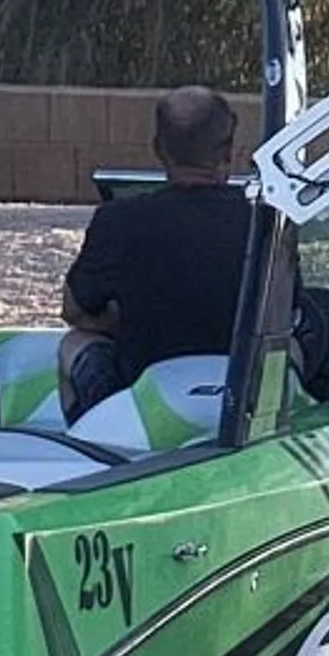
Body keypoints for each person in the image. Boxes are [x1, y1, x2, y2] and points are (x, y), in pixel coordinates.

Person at [58, 85, 252, 422]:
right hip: (238, 404)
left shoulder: (118, 220)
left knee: (73, 343)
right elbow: (285, 314)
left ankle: (93, 438)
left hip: (141, 403)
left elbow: (74, 311)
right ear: (228, 151)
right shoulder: (263, 224)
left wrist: (127, 318)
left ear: (159, 149)